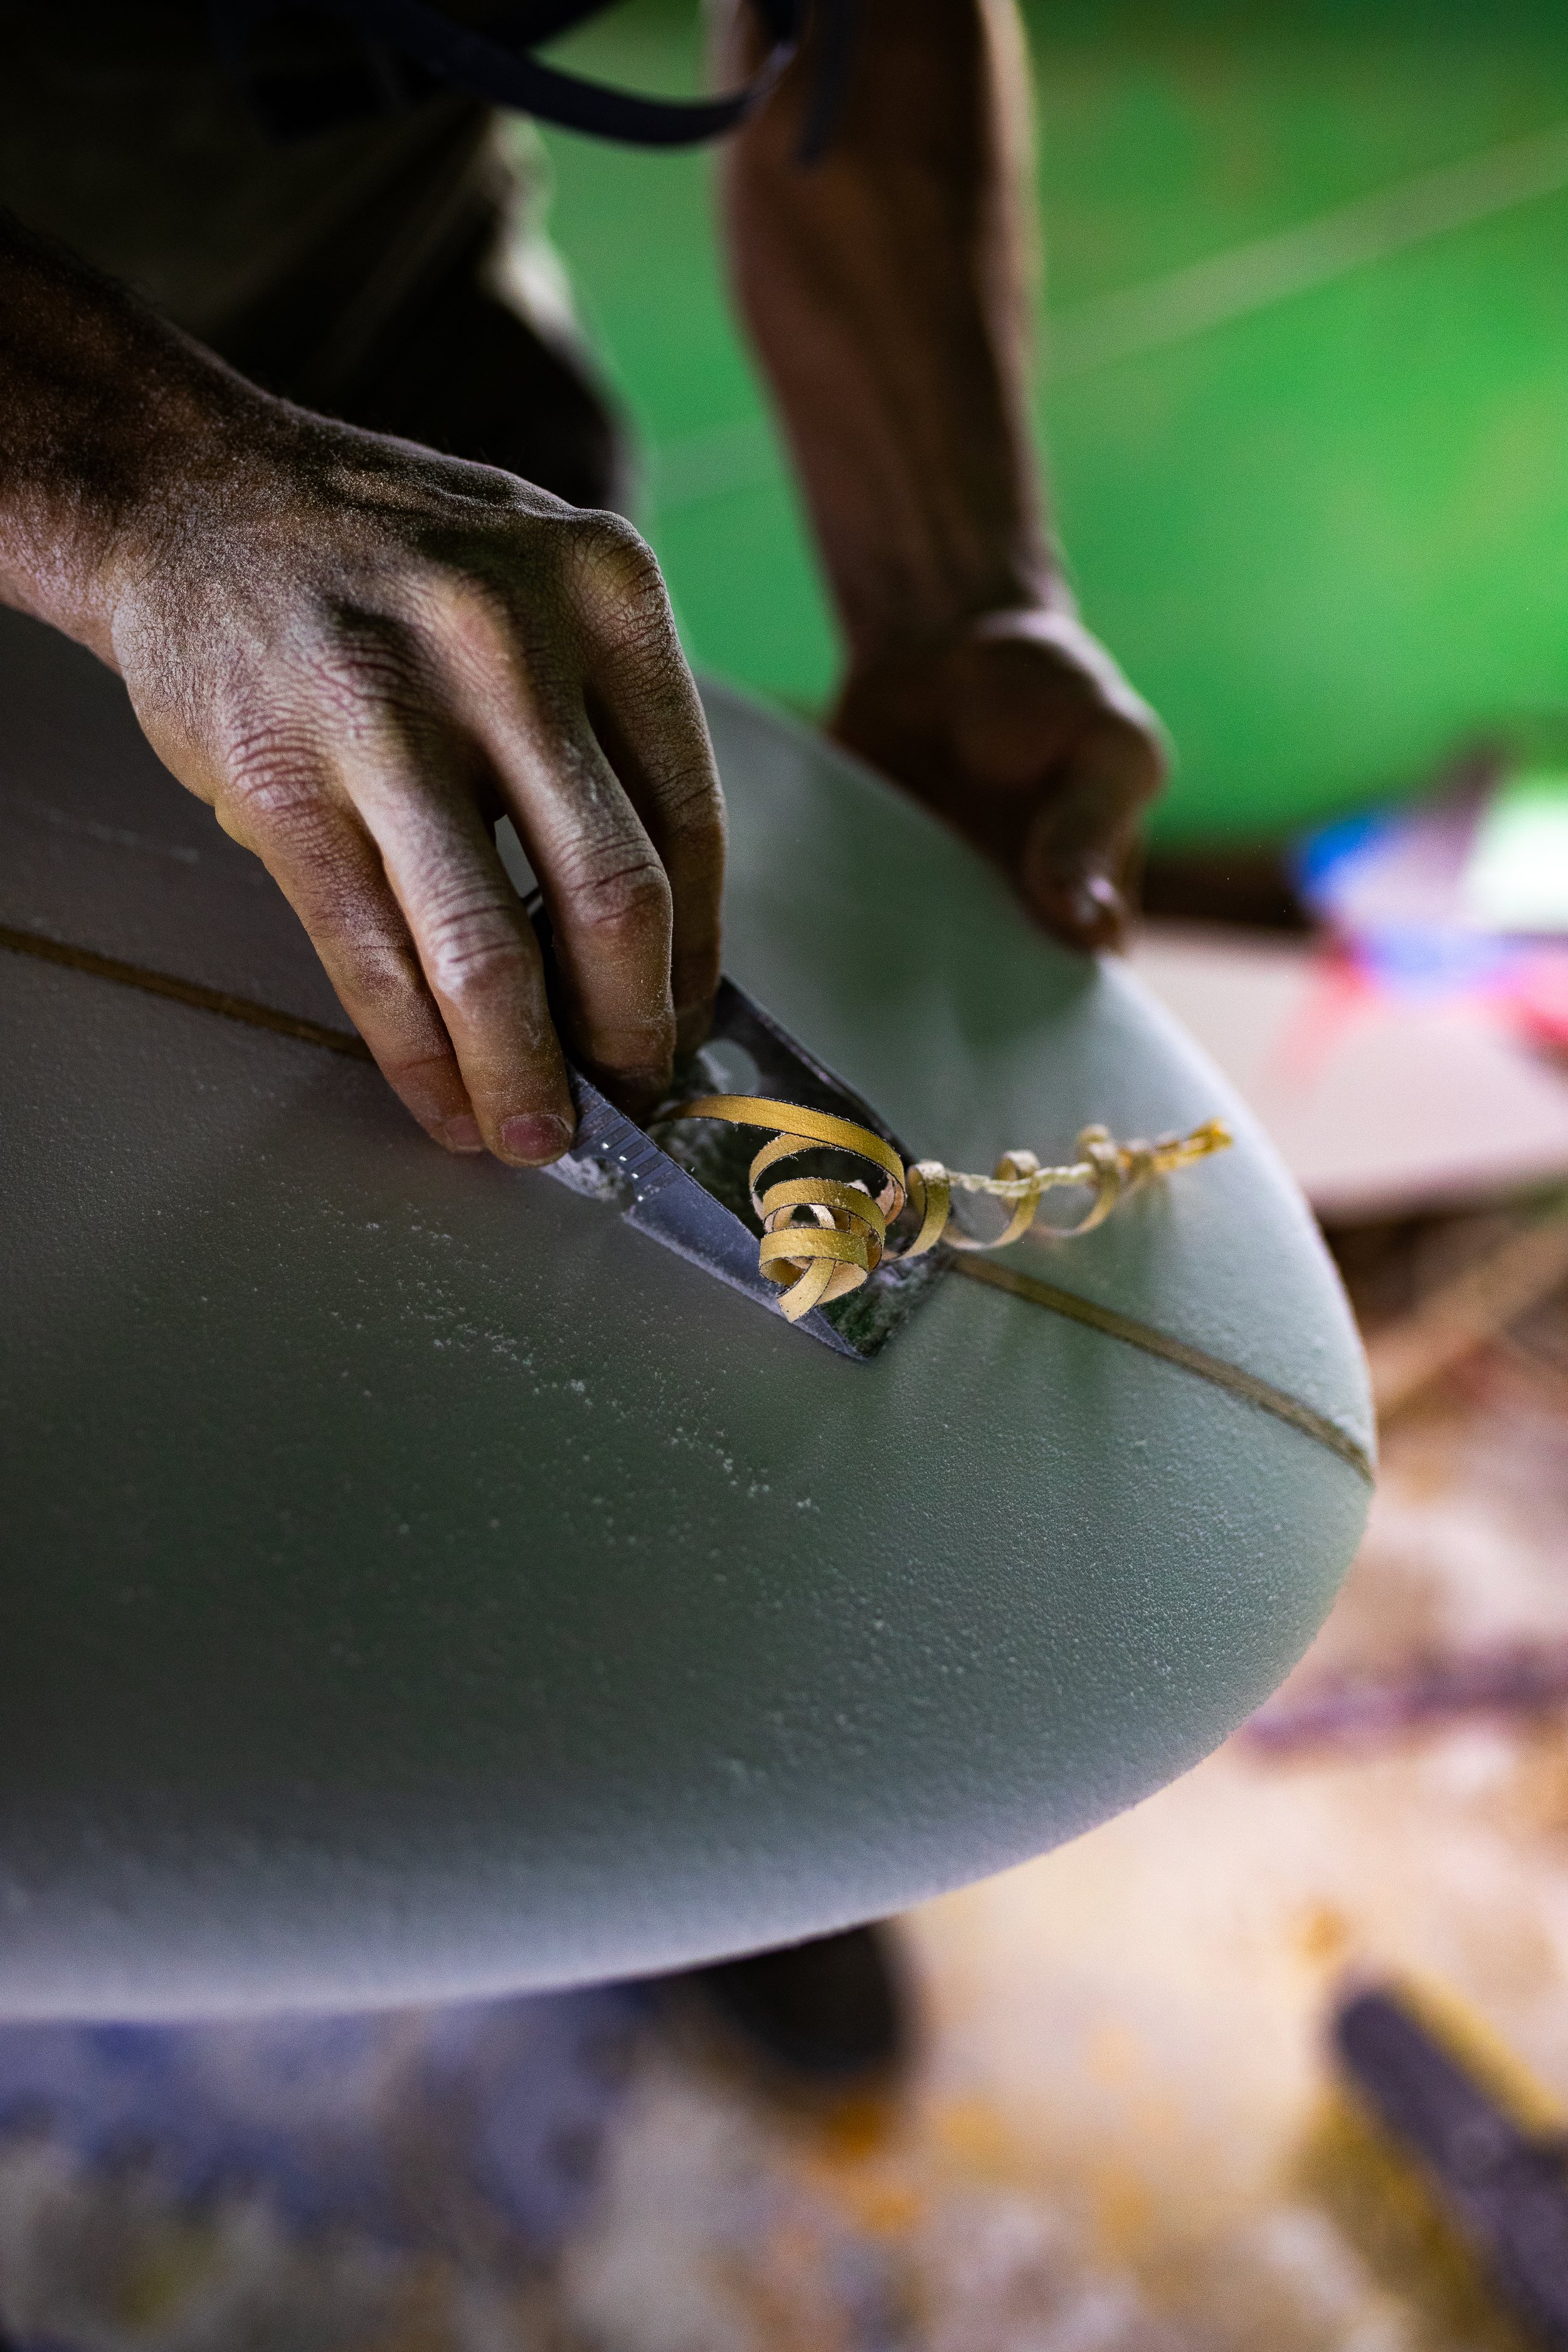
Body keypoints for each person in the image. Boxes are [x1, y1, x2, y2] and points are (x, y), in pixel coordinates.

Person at [0, 0, 1165, 2077]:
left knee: (488, 1295)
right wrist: (133, 479)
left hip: (388, 380)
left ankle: (656, 1776)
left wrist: (945, 587)